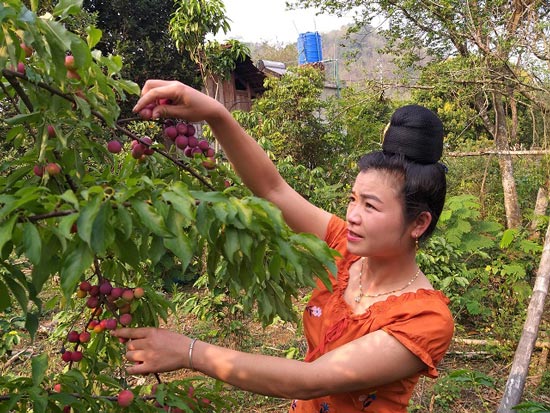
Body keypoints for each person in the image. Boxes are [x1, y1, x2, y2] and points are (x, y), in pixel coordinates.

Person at [112, 80, 455, 413]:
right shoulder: (345, 251)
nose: (352, 215)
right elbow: (273, 189)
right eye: (352, 200)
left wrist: (189, 352)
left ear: (419, 223)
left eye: (371, 206)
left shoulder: (425, 319)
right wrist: (216, 114)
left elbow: (310, 380)